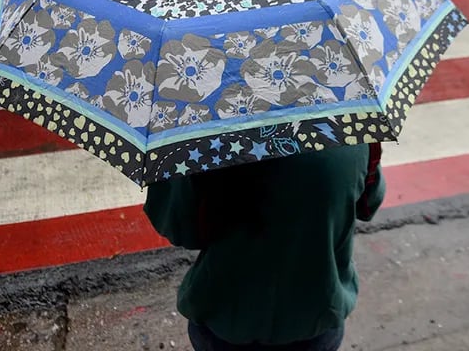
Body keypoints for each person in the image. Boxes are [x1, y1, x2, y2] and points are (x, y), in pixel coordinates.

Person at [143, 139, 385, 351]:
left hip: (226, 317)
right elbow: (369, 203)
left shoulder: (206, 142)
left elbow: (179, 228)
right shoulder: (352, 132)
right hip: (319, 315)